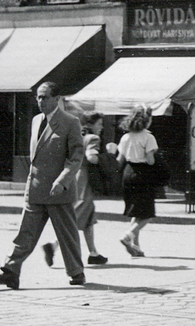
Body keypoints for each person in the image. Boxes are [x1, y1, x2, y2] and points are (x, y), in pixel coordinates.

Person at [0, 82, 87, 289]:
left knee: (67, 235)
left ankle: (76, 272)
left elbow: (76, 158)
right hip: (36, 188)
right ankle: (11, 270)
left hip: (58, 191)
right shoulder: (35, 121)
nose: (40, 101)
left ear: (56, 99)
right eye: (38, 97)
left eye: (45, 97)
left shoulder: (70, 122)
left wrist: (62, 181)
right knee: (25, 233)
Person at [45, 112, 109, 268]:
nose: (101, 127)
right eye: (99, 124)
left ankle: (93, 253)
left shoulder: (76, 137)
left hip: (73, 177)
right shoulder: (93, 138)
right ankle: (53, 245)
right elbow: (92, 157)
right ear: (90, 124)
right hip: (84, 181)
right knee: (76, 215)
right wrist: (109, 155)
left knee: (88, 217)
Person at [116, 106, 159, 257]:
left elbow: (119, 160)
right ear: (147, 121)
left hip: (128, 173)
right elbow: (150, 160)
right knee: (147, 213)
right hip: (143, 175)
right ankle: (128, 235)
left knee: (136, 210)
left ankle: (136, 246)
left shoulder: (126, 137)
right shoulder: (148, 137)